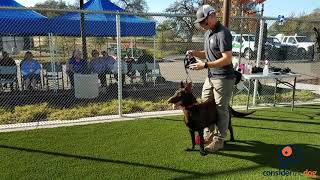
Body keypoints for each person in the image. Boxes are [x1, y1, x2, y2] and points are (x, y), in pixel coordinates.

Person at [186, 5, 235, 153]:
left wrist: (205, 65)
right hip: (211, 76)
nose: (201, 24)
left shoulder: (223, 33)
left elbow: (227, 59)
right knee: (206, 104)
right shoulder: (208, 33)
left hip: (224, 78)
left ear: (212, 16)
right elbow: (208, 53)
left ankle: (219, 141)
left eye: (203, 21)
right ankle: (209, 134)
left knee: (221, 109)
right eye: (200, 22)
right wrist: (194, 53)